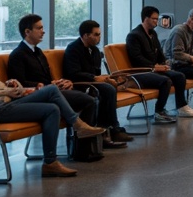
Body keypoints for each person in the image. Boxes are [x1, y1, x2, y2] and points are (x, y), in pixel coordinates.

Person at [0, 15, 105, 178]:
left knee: (52, 109)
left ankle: (50, 162)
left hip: (6, 102)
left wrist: (11, 85)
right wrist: (5, 92)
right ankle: (78, 125)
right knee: (51, 92)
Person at [9, 14, 131, 150]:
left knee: (96, 95)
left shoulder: (38, 52)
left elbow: (48, 79)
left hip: (50, 91)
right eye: (39, 28)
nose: (43, 31)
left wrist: (60, 82)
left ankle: (95, 139)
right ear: (27, 32)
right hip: (38, 95)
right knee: (90, 100)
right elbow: (19, 83)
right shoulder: (18, 55)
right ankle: (85, 147)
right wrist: (45, 85)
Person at [123, 8, 193, 122]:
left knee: (179, 76)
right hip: (140, 72)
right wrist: (154, 67)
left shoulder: (153, 34)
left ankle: (181, 107)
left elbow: (159, 53)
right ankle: (159, 111)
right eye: (154, 19)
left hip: (153, 69)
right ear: (145, 18)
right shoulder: (134, 35)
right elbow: (136, 59)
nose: (156, 22)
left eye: (157, 19)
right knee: (165, 81)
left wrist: (164, 63)